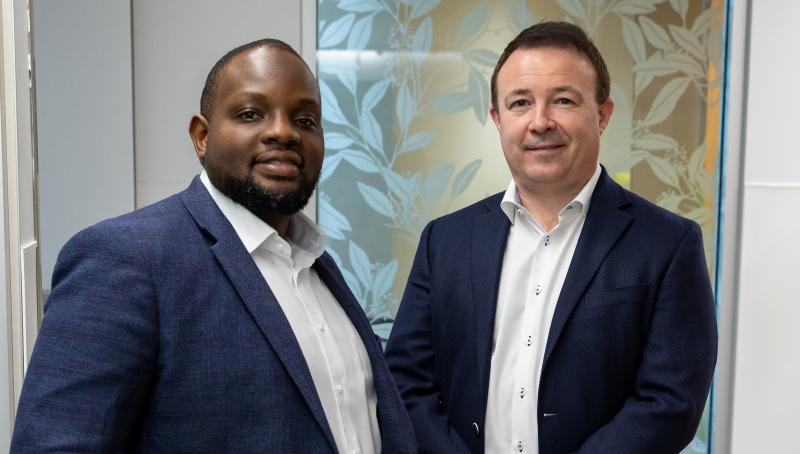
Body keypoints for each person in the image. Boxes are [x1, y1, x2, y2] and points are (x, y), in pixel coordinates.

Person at [12, 39, 416, 453]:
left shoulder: (318, 266)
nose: (284, 131)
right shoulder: (126, 257)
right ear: (201, 136)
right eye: (250, 114)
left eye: (306, 119)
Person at [384, 21, 717, 454]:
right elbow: (406, 384)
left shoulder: (668, 245)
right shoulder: (444, 241)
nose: (540, 122)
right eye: (520, 103)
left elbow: (671, 403)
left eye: (563, 100)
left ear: (602, 115)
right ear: (497, 119)